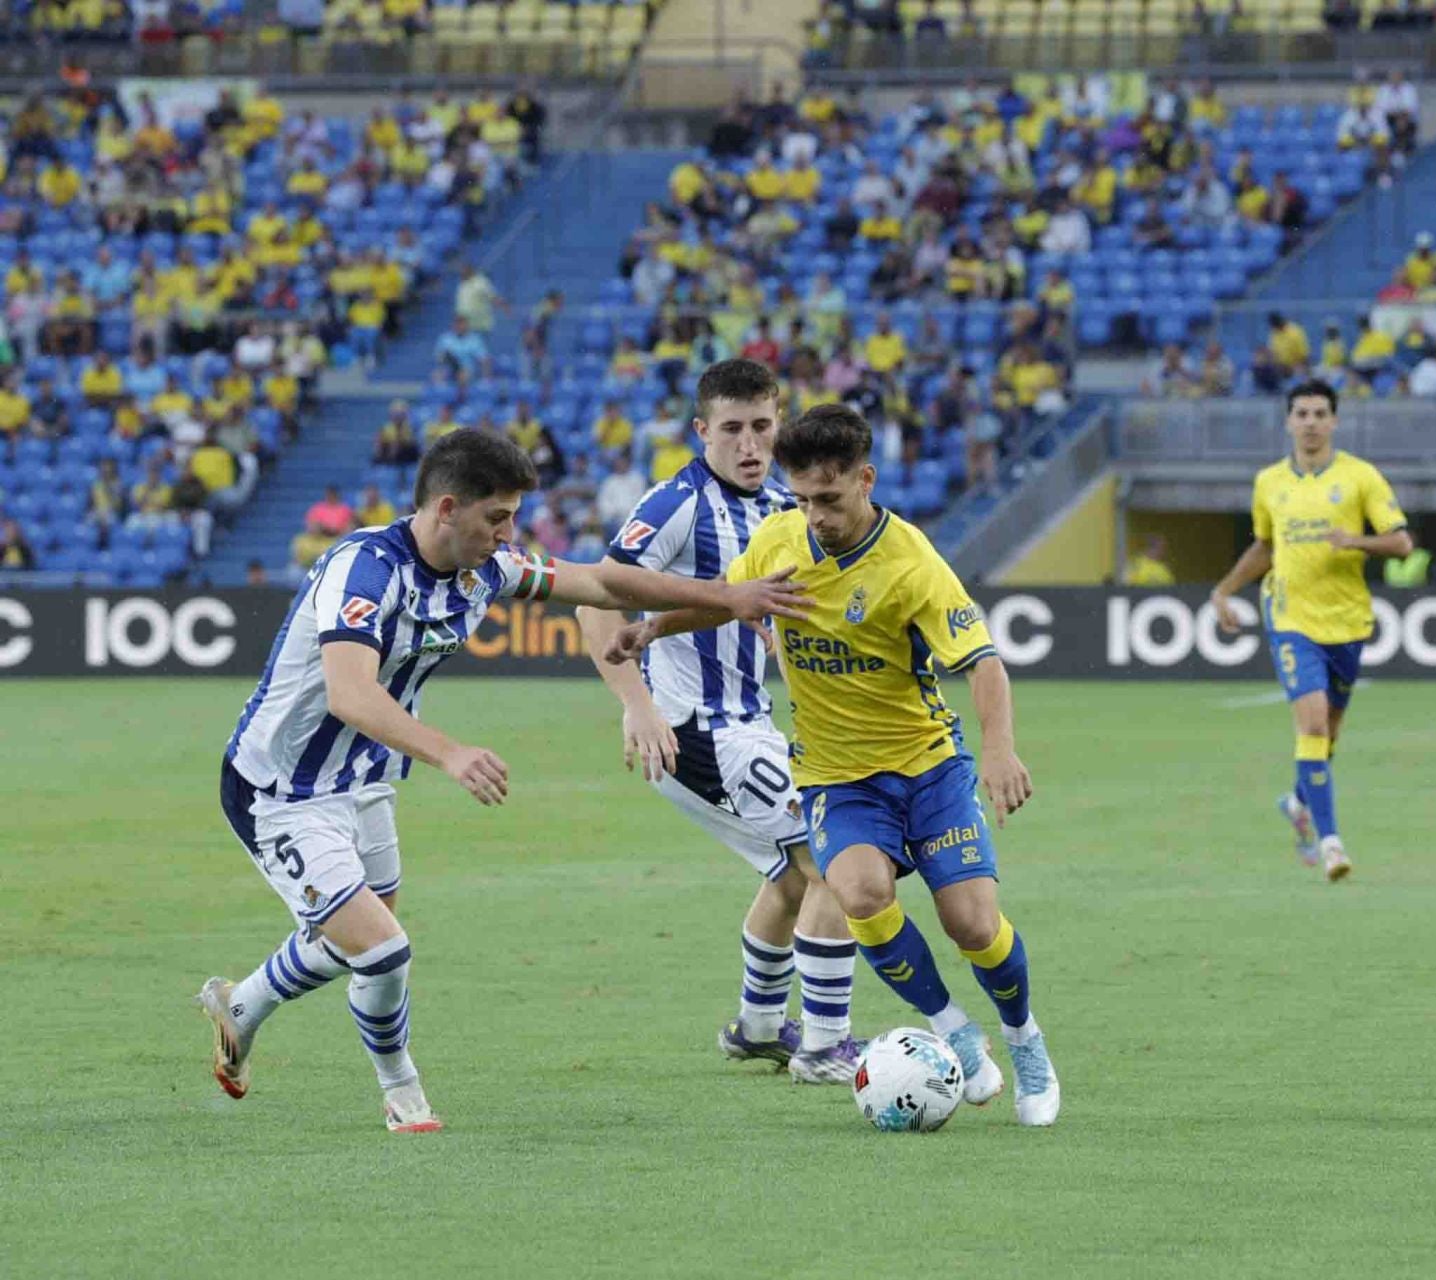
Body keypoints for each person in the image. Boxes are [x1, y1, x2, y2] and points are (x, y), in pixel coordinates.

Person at [196, 429, 811, 1134]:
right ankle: (403, 1094)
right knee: (383, 948)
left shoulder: (486, 569)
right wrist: (450, 753)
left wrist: (727, 596)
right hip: (280, 790)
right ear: (448, 509)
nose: (509, 533)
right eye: (498, 518)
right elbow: (350, 694)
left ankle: (240, 1006)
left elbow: (603, 582)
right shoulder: (362, 571)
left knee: (357, 942)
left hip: (363, 779)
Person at [601, 404, 1062, 1126]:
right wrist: (655, 627)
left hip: (928, 768)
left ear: (866, 478)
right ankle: (954, 1031)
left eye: (831, 498)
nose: (814, 514)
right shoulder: (781, 536)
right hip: (836, 776)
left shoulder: (912, 563)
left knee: (972, 926)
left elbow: (984, 664)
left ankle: (1023, 1038)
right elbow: (730, 602)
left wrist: (1000, 750)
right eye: (805, 497)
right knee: (858, 892)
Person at [575, 361, 863, 1083]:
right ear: (702, 432)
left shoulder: (778, 502)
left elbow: (750, 600)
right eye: (731, 429)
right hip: (696, 730)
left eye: (762, 426)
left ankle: (760, 1028)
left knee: (791, 874)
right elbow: (595, 599)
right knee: (831, 858)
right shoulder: (677, 503)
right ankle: (827, 1047)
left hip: (752, 725)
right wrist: (635, 706)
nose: (748, 443)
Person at [1207, 379, 1413, 882]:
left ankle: (1298, 803)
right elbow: (1264, 547)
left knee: (1329, 735)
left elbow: (1402, 543)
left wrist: (1355, 541)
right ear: (1288, 421)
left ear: (1335, 421)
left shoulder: (1361, 478)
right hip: (1289, 616)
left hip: (1347, 620)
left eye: (1321, 413)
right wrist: (1224, 590)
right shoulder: (1269, 483)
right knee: (1314, 725)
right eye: (1302, 413)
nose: (1311, 422)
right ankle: (1330, 843)